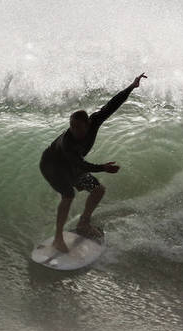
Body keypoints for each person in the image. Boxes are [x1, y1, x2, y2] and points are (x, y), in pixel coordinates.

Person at [39, 73, 147, 252]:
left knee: (98, 190)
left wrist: (131, 86)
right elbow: (81, 165)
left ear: (88, 124)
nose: (75, 131)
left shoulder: (95, 121)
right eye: (72, 127)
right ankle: (58, 238)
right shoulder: (67, 143)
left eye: (79, 128)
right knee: (68, 196)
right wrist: (103, 168)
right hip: (52, 166)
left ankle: (83, 223)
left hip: (71, 166)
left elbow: (112, 105)